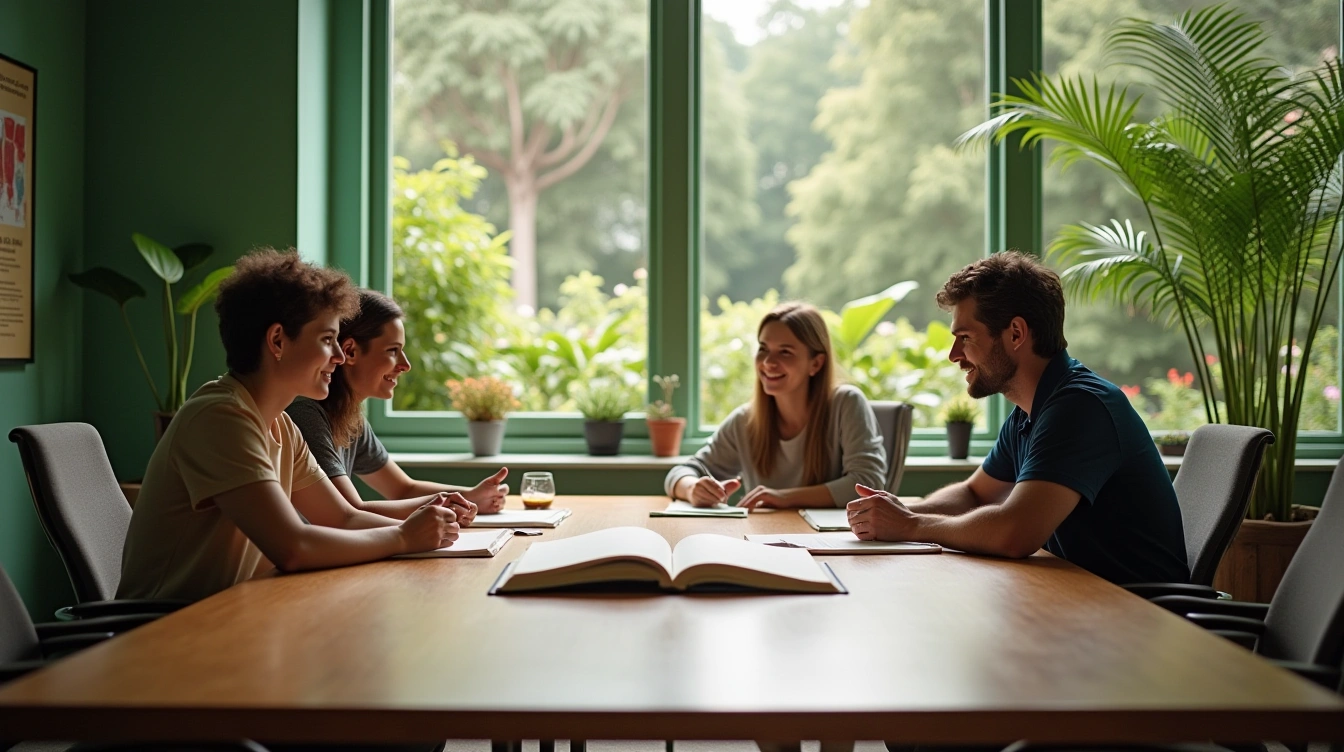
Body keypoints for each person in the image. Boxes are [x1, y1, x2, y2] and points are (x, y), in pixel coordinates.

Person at [118, 249, 468, 603]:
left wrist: (430, 530)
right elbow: (294, 547)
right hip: (163, 632)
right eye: (327, 339)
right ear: (277, 341)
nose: (338, 356)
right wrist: (405, 537)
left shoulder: (281, 426)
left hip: (231, 617)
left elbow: (343, 519)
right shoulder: (219, 418)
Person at [847, 251, 1190, 586]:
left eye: (965, 338)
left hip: (1140, 616)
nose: (954, 355)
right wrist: (904, 511)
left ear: (1015, 333)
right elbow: (975, 494)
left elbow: (1015, 534)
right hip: (1081, 601)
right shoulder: (1030, 412)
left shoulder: (1081, 407)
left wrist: (910, 526)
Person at [286, 289, 509, 522]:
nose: (405, 365)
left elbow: (403, 489)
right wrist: (447, 503)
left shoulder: (350, 418)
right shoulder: (307, 416)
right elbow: (350, 513)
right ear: (350, 351)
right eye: (393, 351)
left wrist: (470, 496)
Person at [665, 301, 886, 509]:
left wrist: (783, 498)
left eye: (785, 352)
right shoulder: (745, 421)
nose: (768, 362)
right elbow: (681, 472)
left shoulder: (846, 403)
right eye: (763, 349)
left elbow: (868, 483)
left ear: (816, 363)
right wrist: (693, 488)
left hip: (829, 542)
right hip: (762, 540)